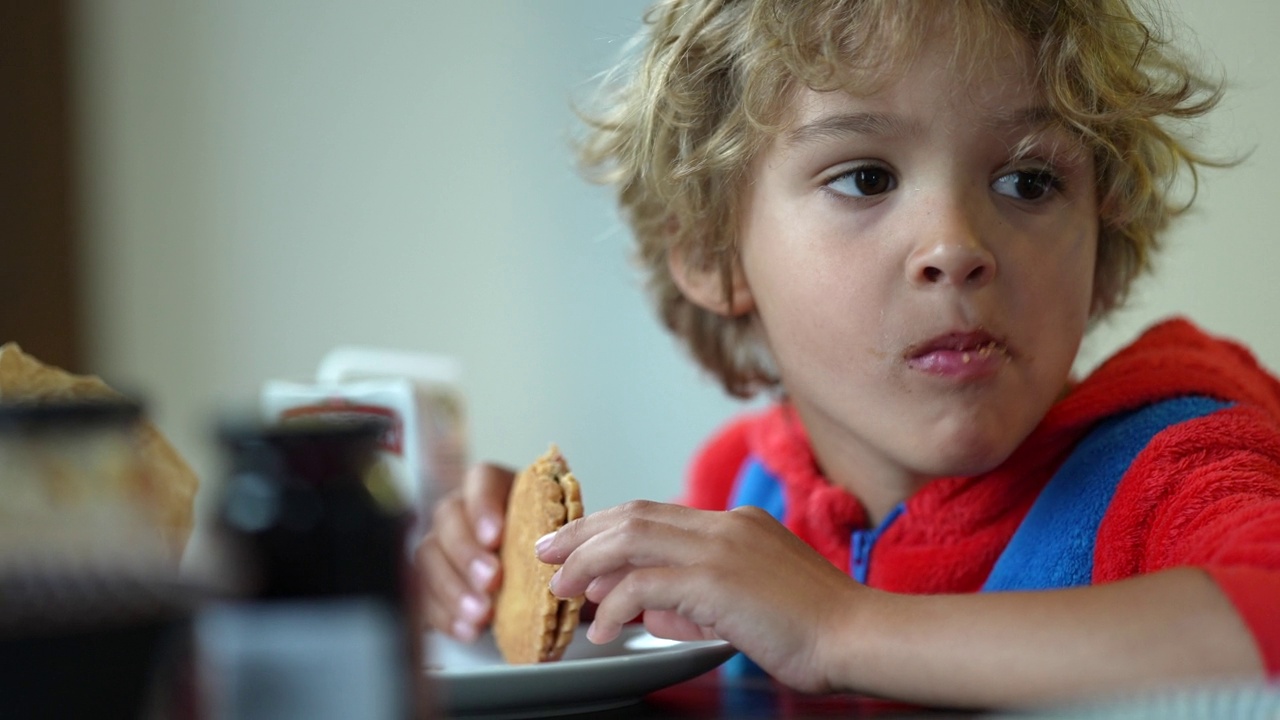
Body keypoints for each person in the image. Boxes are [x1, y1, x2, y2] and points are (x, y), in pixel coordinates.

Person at [418, 0, 1280, 708]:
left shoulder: (1169, 471)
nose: (955, 244)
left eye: (1028, 180)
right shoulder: (744, 494)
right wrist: (526, 587)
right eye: (866, 177)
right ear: (715, 253)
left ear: (1103, 235)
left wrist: (840, 627)